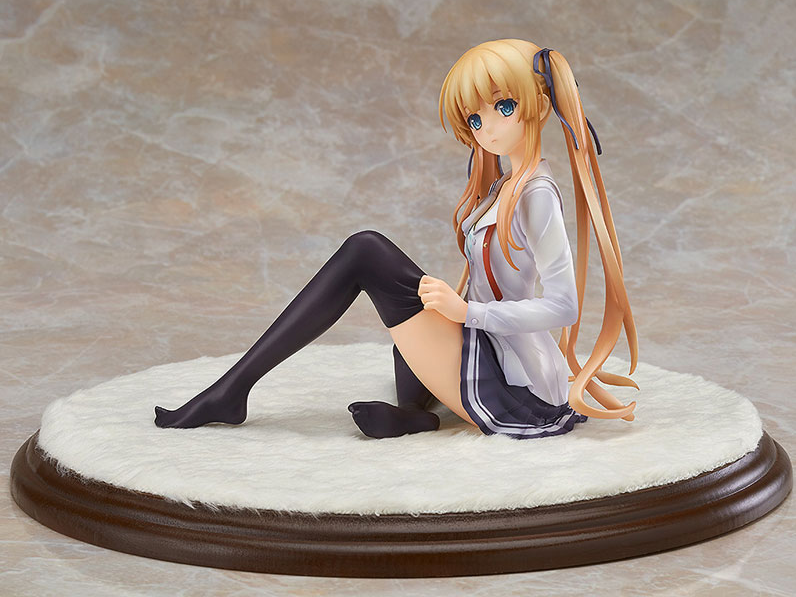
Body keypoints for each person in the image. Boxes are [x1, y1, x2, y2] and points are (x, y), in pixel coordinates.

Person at [154, 38, 638, 439]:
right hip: (482, 343)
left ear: (537, 104)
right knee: (406, 323)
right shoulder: (503, 186)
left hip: (514, 381)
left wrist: (467, 313)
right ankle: (414, 415)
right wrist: (455, 310)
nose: (487, 128)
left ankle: (232, 391)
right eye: (475, 119)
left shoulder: (536, 194)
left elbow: (564, 306)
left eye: (502, 107)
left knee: (366, 250)